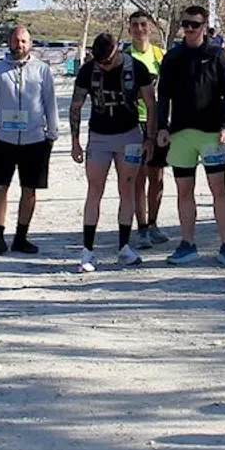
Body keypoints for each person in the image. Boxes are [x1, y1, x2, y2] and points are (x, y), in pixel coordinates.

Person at [155, 5, 225, 267]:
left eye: (194, 24)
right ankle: (187, 243)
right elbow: (163, 96)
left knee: (219, 191)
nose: (189, 29)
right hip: (180, 134)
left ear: (205, 26)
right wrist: (162, 127)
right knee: (184, 191)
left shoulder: (218, 55)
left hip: (212, 134)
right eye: (185, 24)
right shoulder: (173, 57)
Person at [66, 33, 157, 272]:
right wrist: (74, 141)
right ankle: (88, 250)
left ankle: (124, 247)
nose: (103, 66)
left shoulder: (136, 68)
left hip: (129, 136)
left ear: (116, 51)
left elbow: (151, 103)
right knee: (94, 189)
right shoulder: (88, 71)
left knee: (127, 188)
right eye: (99, 62)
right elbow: (75, 106)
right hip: (99, 137)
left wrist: (149, 137)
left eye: (107, 61)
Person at [0, 26, 57, 257]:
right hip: (3, 139)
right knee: (0, 187)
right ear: (9, 42)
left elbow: (49, 103)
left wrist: (51, 133)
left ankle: (21, 237)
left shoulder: (42, 70)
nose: (19, 45)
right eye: (16, 41)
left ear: (30, 44)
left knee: (29, 189)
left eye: (23, 41)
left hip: (35, 139)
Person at [124, 10, 172, 249]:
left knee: (157, 176)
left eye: (143, 24)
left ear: (150, 28)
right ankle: (141, 227)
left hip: (158, 121)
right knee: (137, 177)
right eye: (135, 25)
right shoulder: (124, 56)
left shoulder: (160, 55)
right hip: (132, 123)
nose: (139, 29)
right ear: (129, 29)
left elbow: (169, 89)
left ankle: (153, 223)